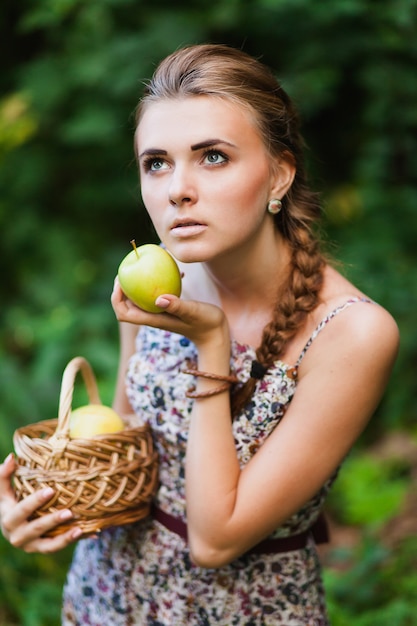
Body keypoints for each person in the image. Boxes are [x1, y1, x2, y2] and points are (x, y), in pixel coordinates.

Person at [0, 43, 399, 625]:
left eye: (212, 157)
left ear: (279, 174)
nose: (176, 190)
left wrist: (212, 348)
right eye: (156, 163)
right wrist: (51, 506)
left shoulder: (351, 333)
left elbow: (216, 539)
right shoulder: (161, 278)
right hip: (107, 593)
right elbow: (132, 443)